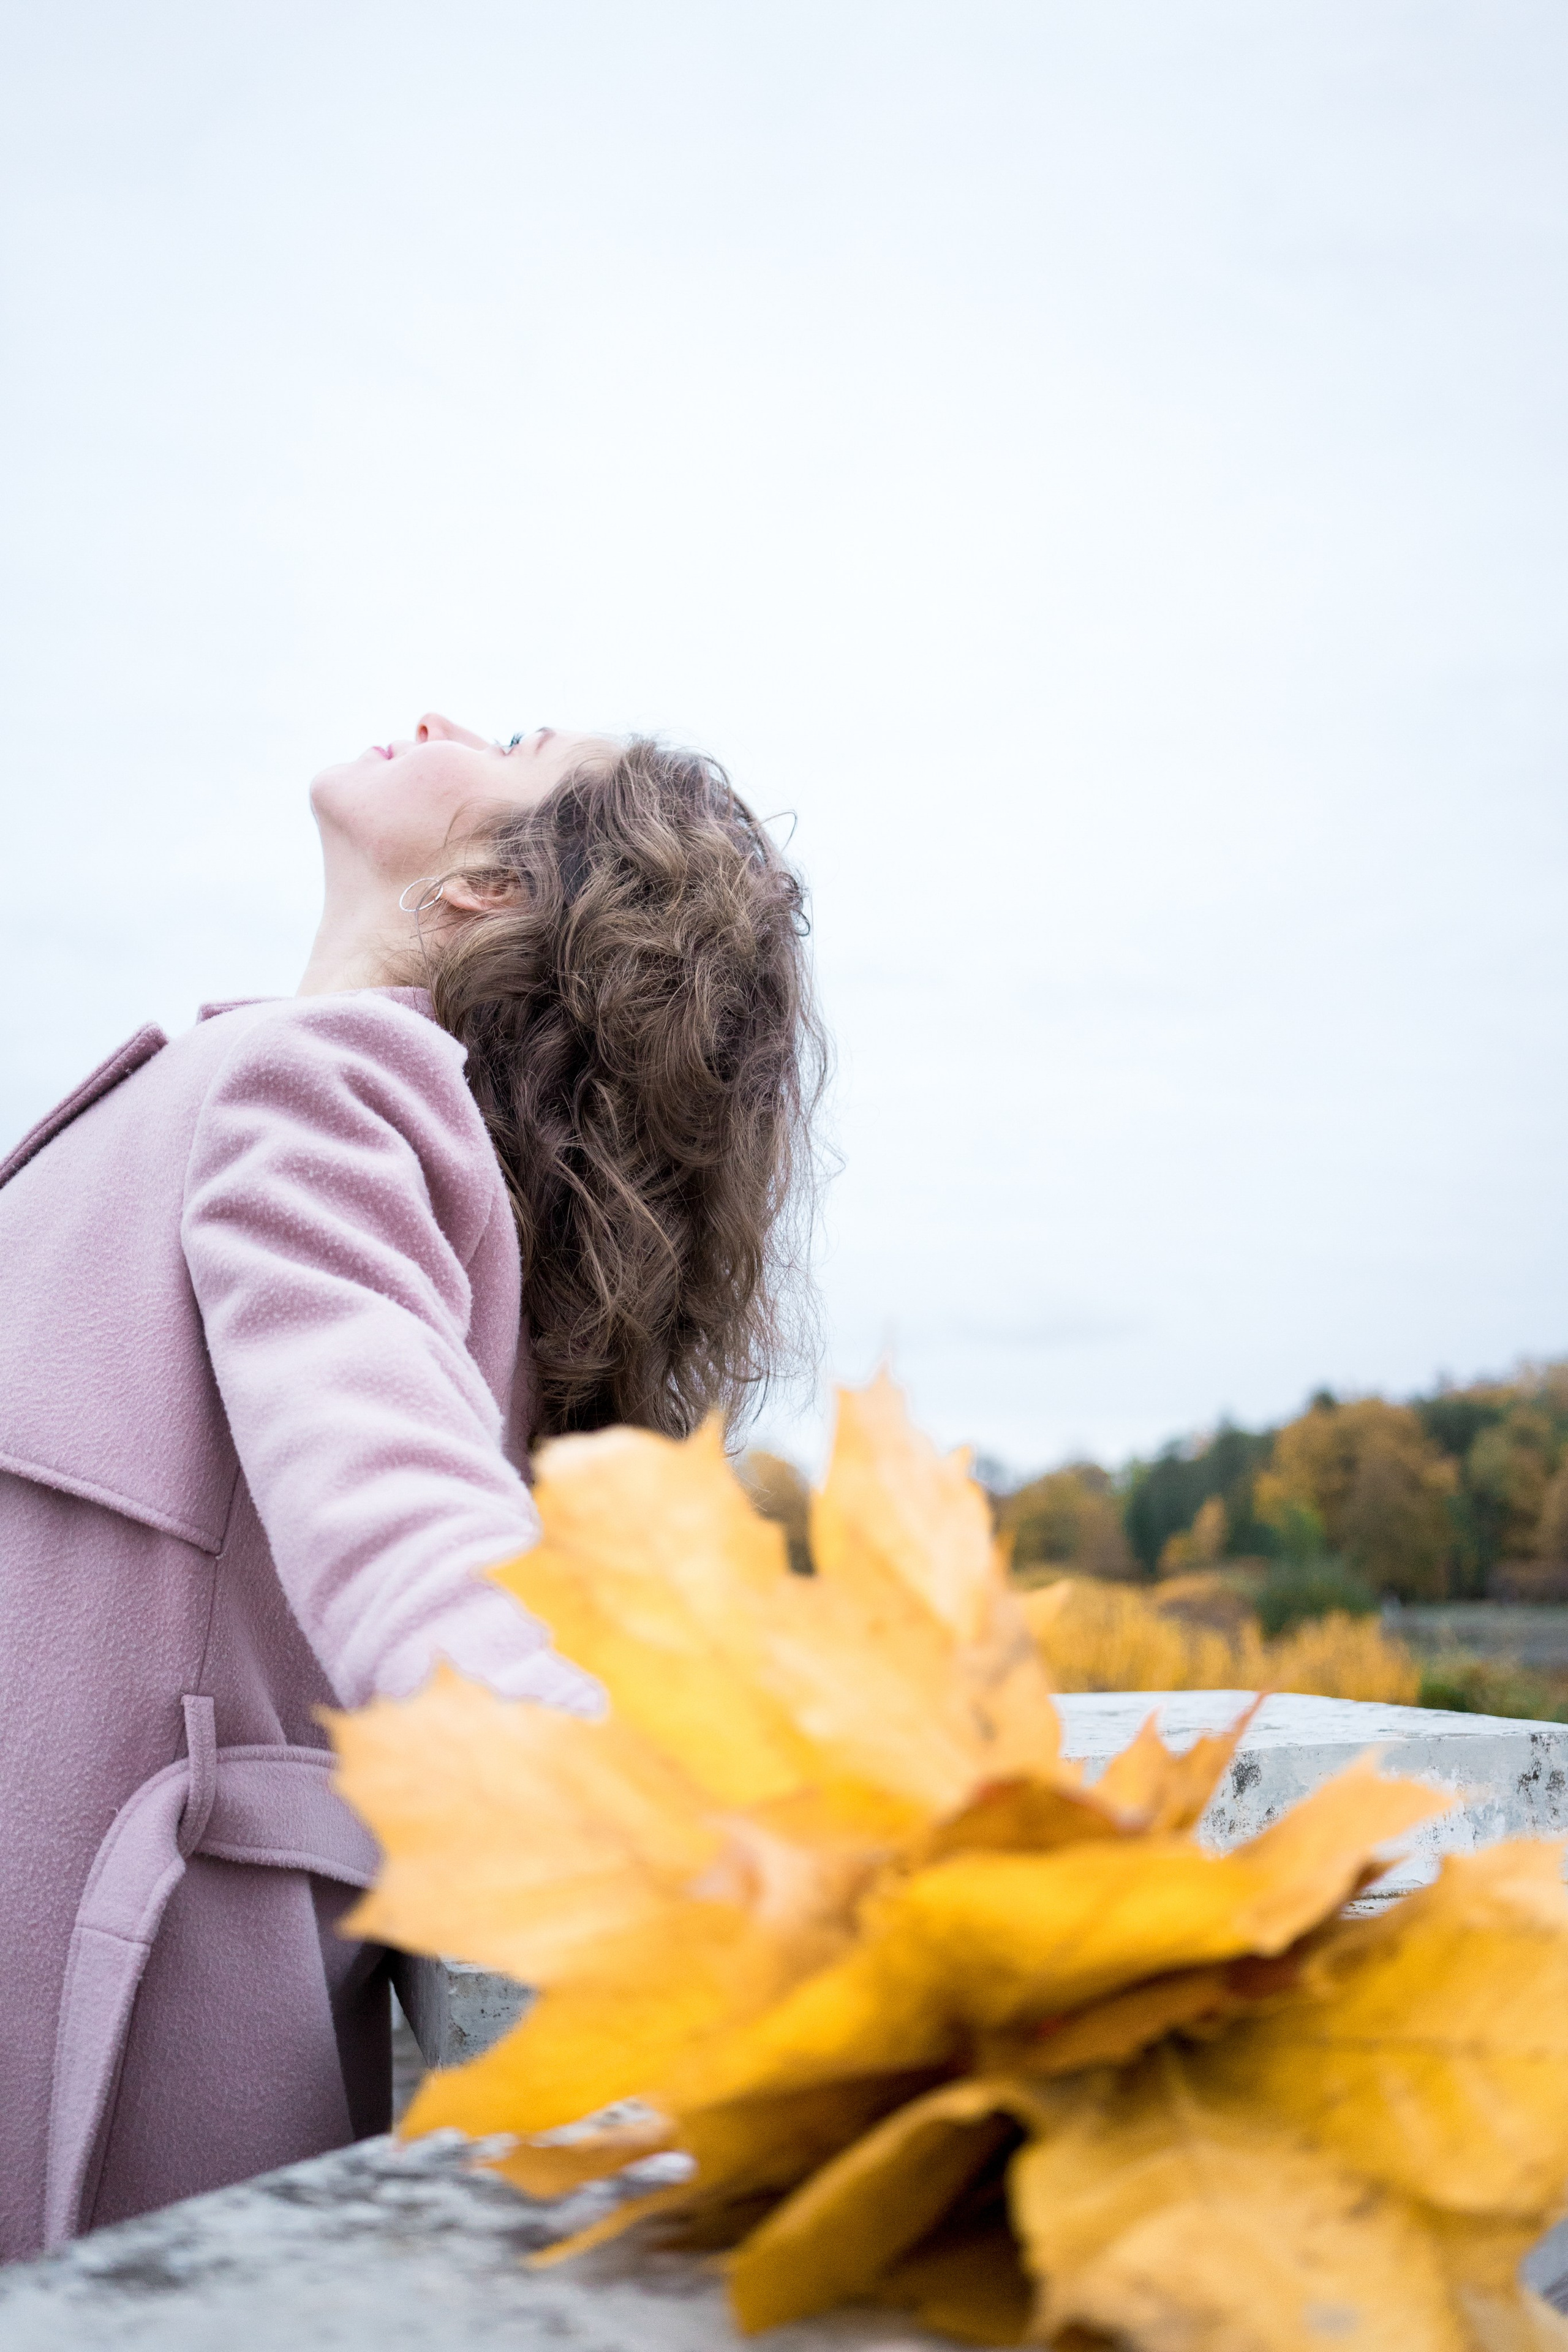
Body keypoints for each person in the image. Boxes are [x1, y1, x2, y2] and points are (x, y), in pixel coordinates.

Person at [0, 714, 822, 2260]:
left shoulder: (328, 1077)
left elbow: (402, 1522)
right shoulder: (271, 1080)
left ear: (497, 891)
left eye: (511, 744)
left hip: (90, 2009)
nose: (445, 720)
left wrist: (605, 1790)